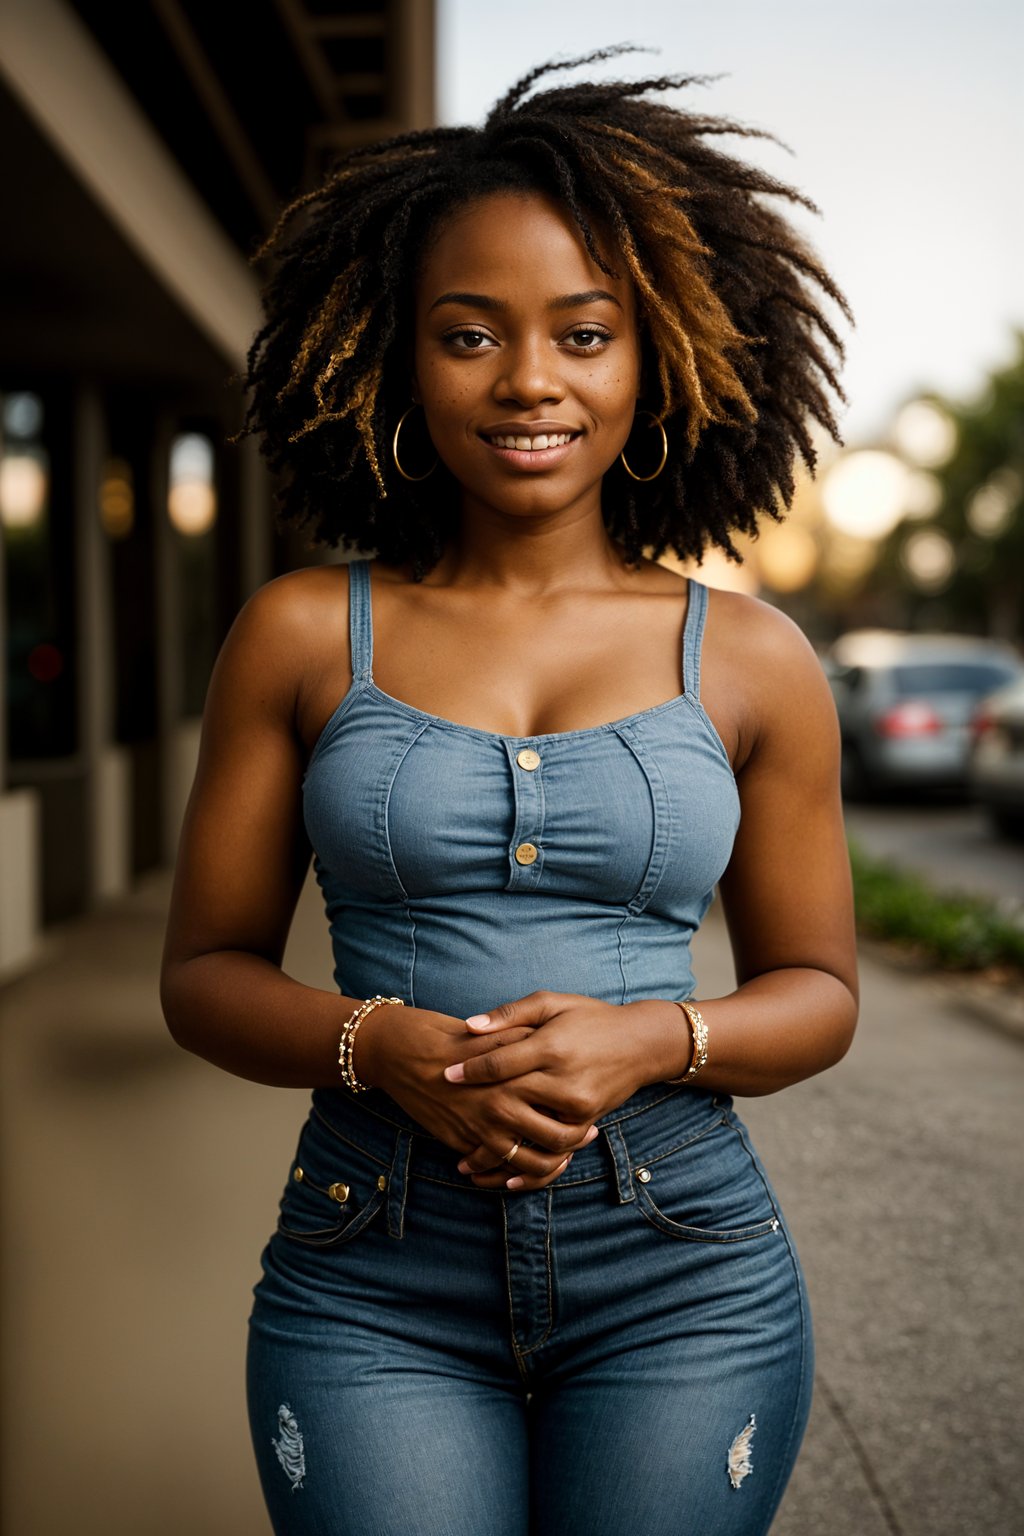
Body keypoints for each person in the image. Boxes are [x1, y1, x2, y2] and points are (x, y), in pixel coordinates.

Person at [160, 50, 858, 1536]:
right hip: (371, 1267)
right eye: (469, 334)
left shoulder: (752, 659)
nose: (530, 380)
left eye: (584, 334)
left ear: (654, 355)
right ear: (398, 359)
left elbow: (819, 992)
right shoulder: (298, 632)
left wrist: (649, 1040)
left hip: (683, 1267)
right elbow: (203, 978)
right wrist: (376, 1045)